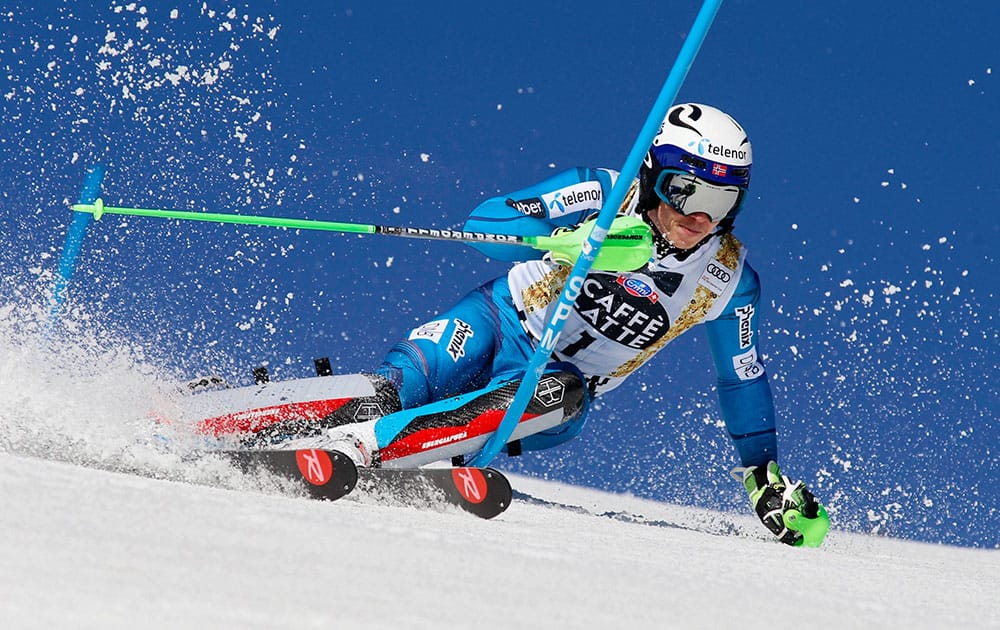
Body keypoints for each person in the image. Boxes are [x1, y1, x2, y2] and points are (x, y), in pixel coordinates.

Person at [283, 102, 827, 546]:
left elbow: (741, 376)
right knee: (403, 384)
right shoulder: (603, 193)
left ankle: (372, 446)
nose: (699, 217)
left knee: (555, 394)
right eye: (685, 191)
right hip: (498, 321)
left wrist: (763, 474)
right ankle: (277, 415)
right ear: (652, 175)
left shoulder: (727, 278)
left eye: (721, 200)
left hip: (555, 386)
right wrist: (560, 239)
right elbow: (485, 222)